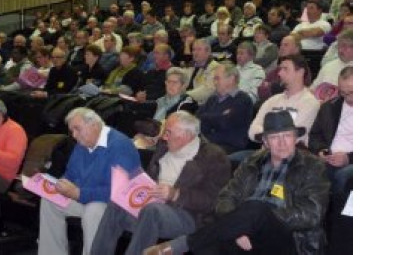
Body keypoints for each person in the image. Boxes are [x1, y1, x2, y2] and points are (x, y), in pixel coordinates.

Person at [145, 110, 330, 255]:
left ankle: (181, 245)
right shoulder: (252, 162)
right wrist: (240, 229)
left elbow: (312, 213)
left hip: (288, 239)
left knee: (257, 208)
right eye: (274, 137)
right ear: (265, 141)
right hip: (243, 235)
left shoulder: (312, 166)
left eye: (287, 136)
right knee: (207, 248)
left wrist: (257, 222)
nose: (282, 143)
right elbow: (225, 198)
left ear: (295, 138)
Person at [91, 111, 231, 255]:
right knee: (118, 203)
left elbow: (213, 201)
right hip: (152, 206)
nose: (164, 136)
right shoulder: (163, 148)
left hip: (189, 216)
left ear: (186, 136)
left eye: (168, 132)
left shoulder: (214, 157)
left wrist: (176, 194)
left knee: (153, 211)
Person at [38, 108, 141, 255]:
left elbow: (120, 192)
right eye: (72, 131)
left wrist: (79, 193)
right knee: (49, 201)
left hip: (113, 206)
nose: (74, 135)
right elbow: (70, 174)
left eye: (77, 129)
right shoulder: (82, 145)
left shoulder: (121, 145)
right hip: (84, 197)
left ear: (94, 125)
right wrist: (61, 184)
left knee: (93, 210)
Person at [249, 54, 319, 146]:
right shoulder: (273, 100)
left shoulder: (310, 102)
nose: (279, 73)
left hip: (294, 155)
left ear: (300, 72)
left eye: (285, 69)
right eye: (280, 69)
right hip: (266, 153)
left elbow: (296, 135)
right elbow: (252, 131)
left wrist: (265, 134)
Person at [309, 66, 353, 194]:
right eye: (343, 93)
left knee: (343, 175)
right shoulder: (330, 107)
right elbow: (315, 135)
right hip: (329, 157)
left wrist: (348, 158)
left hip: (351, 161)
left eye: (352, 92)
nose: (348, 98)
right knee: (305, 168)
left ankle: (336, 213)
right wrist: (321, 150)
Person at [197, 63, 253, 154]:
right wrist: (219, 116)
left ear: (231, 79)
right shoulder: (213, 99)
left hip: (230, 146)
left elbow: (225, 123)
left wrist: (207, 117)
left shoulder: (243, 99)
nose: (214, 82)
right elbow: (198, 118)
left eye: (217, 78)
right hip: (208, 142)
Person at [310, 29, 353, 95]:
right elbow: (313, 90)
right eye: (339, 46)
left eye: (344, 46)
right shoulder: (328, 66)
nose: (340, 49)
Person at [185, 39, 220, 105]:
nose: (195, 52)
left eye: (199, 49)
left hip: (203, 105)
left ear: (208, 52)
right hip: (186, 102)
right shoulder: (190, 66)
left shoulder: (215, 68)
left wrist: (185, 96)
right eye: (193, 49)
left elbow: (207, 90)